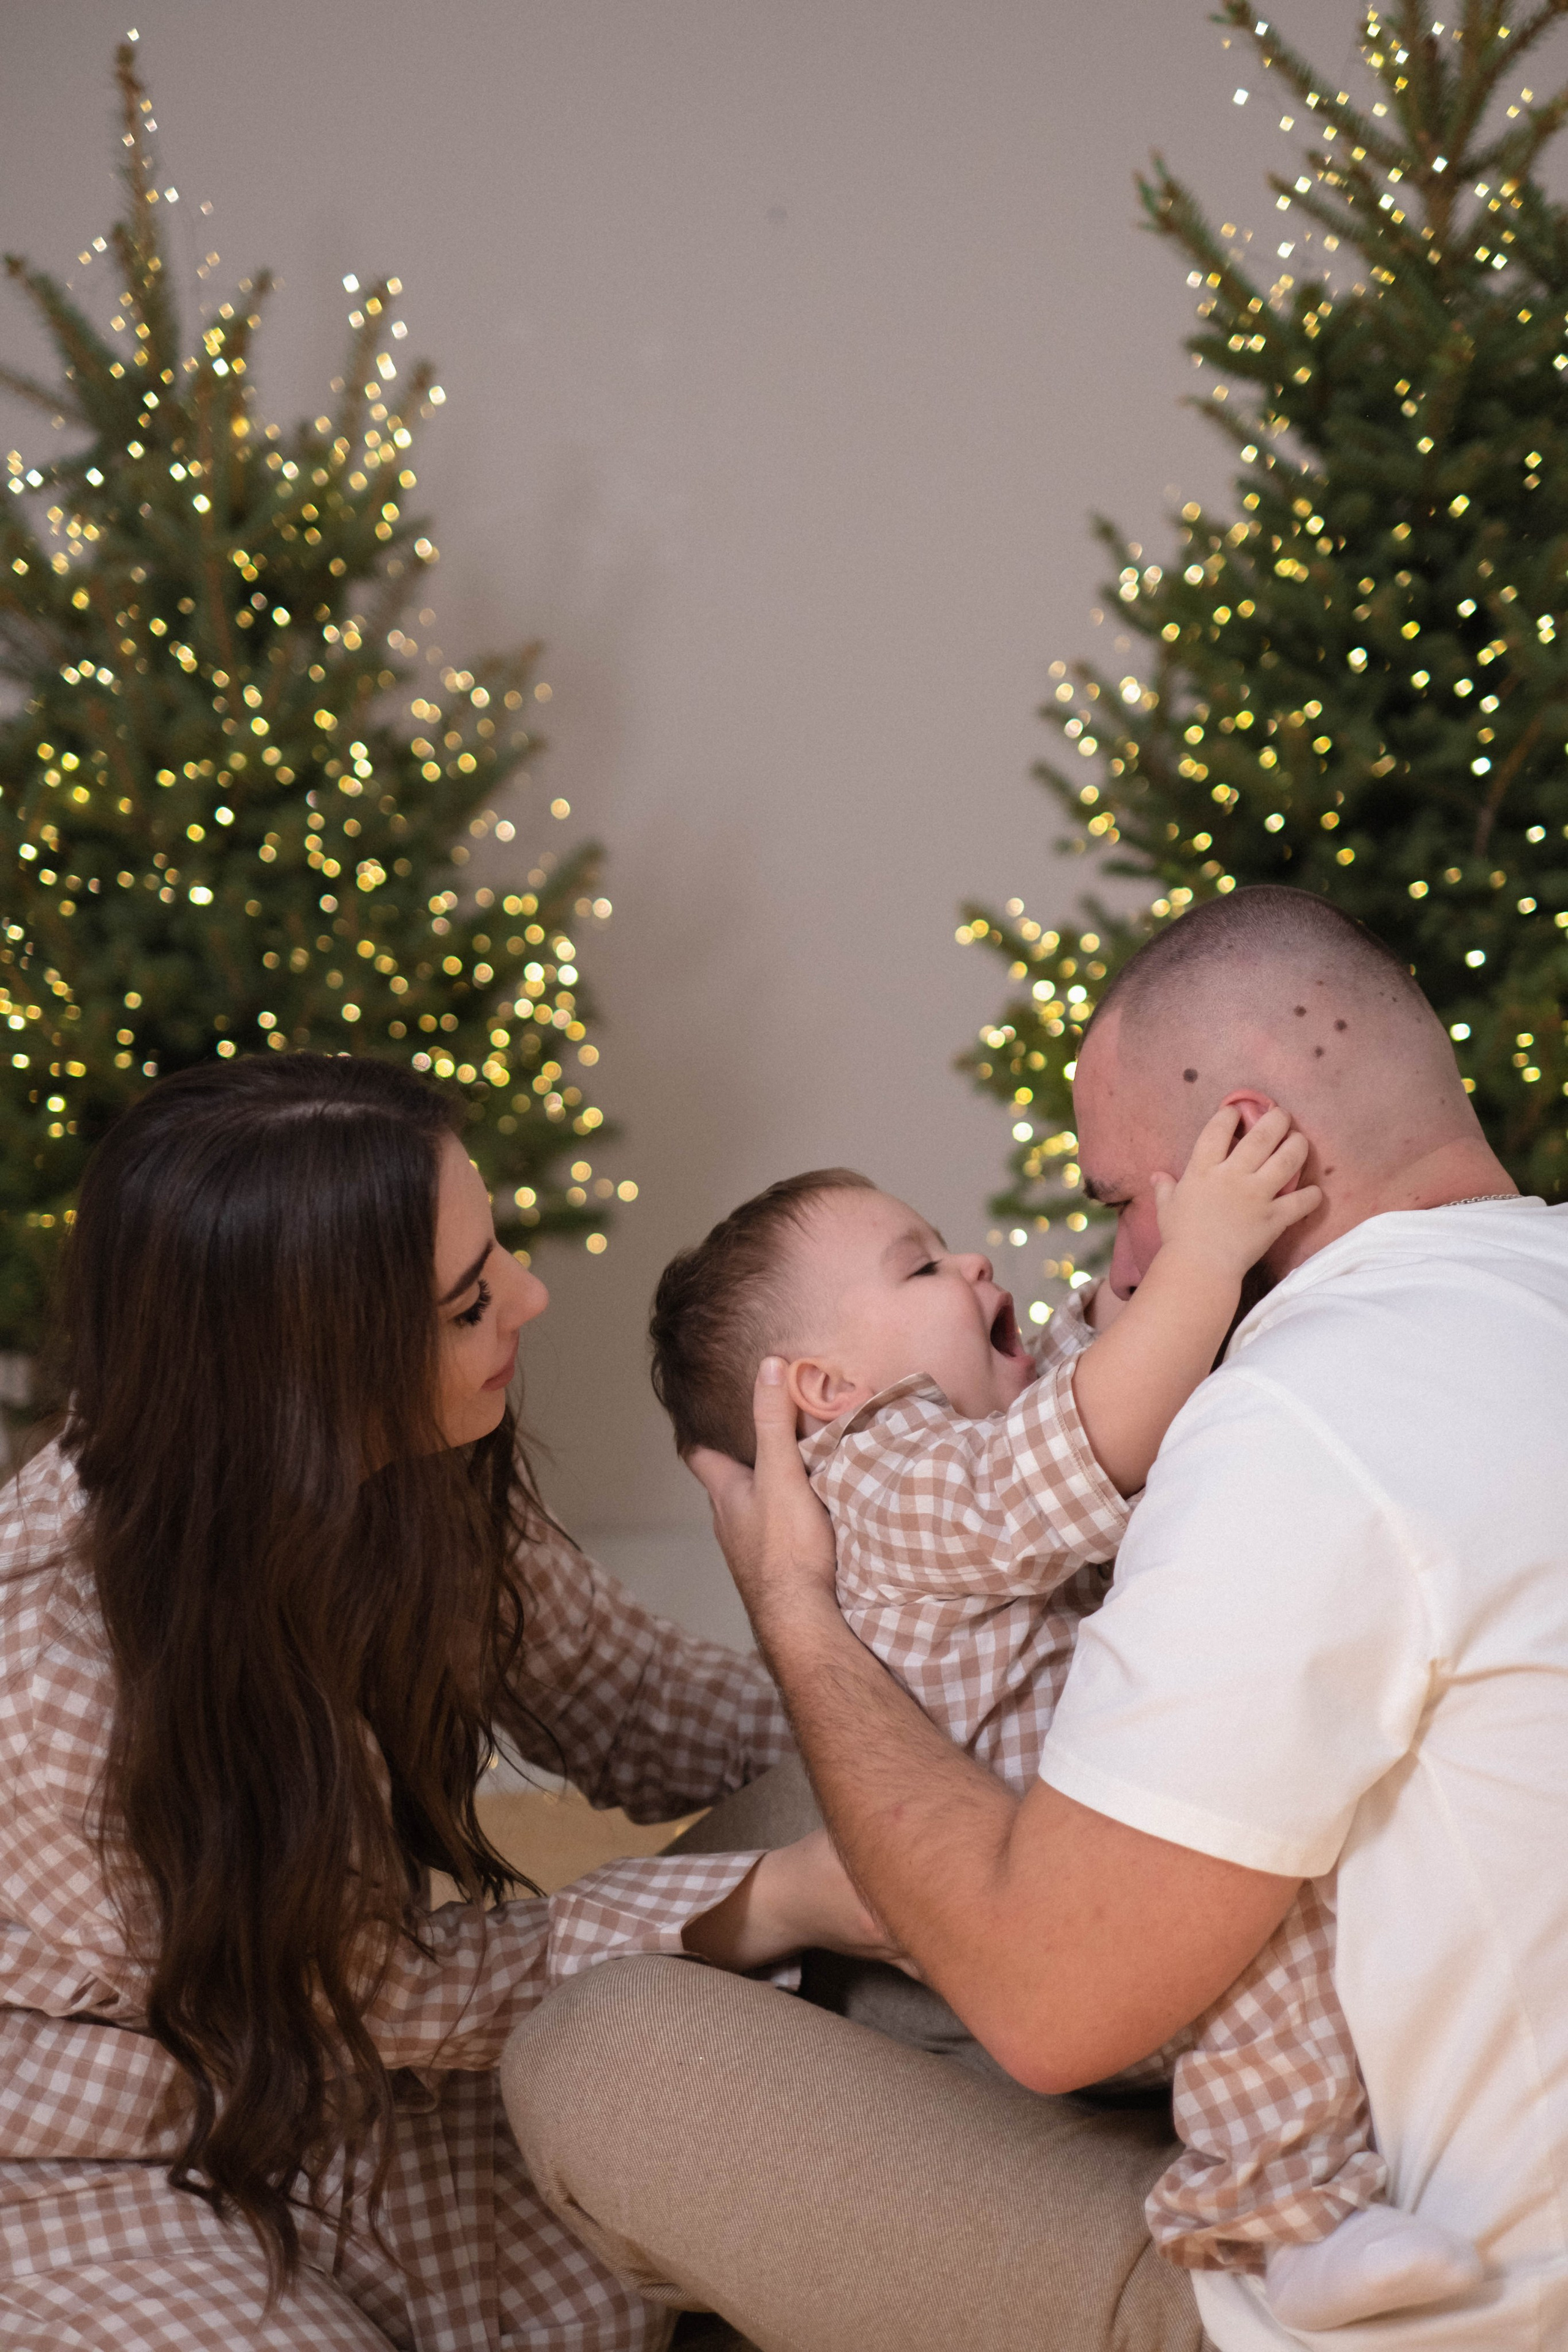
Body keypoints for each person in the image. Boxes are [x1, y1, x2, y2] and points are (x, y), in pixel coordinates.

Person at [503, 886, 1568, 2352]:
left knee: (601, 2056)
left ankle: (1264, 2214)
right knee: (788, 1818)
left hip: (1448, 2298)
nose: (1116, 1265)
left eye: (1124, 1205)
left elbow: (1054, 2006)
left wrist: (792, 1614)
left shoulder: (1293, 1425)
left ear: (1247, 1149)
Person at [0, 1053, 892, 2352]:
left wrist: (903, 1730)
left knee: (734, 2201)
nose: (529, 1298)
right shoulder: (64, 1677)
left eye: (501, 1254)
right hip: (102, 2154)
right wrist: (778, 1897)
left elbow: (635, 1702)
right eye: (470, 1302)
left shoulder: (400, 1468)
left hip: (334, 2088)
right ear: (310, 1374)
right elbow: (385, 1997)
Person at [642, 1129, 1477, 2331]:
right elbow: (1074, 1450)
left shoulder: (954, 1442)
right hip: (1037, 1915)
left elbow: (1074, 1402)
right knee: (1257, 1939)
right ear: (821, 1393)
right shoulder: (874, 1481)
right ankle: (1276, 2220)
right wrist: (1202, 1256)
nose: (975, 1264)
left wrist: (1122, 1306)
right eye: (919, 1269)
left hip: (1050, 1854)